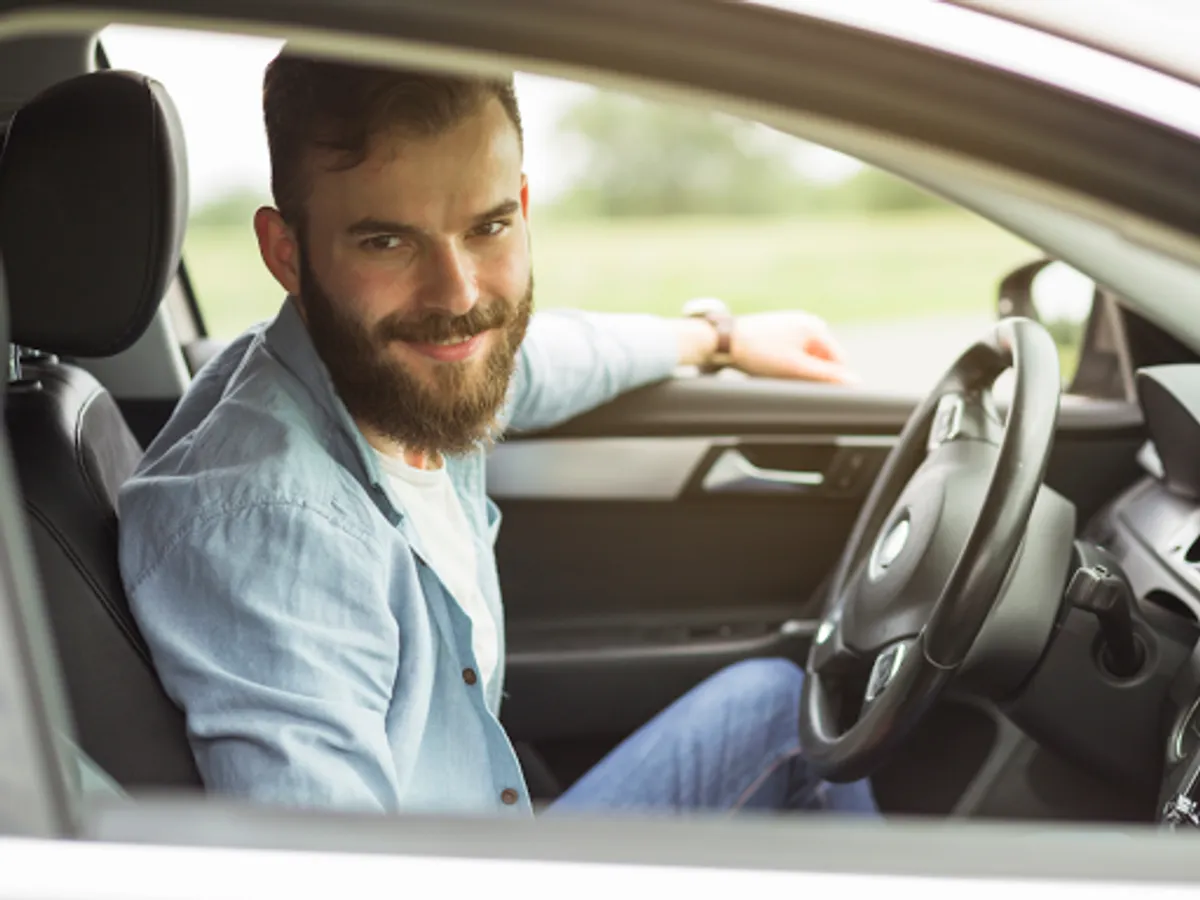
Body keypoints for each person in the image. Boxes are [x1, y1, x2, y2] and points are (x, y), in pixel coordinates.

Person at [118, 51, 876, 818]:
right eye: (387, 242)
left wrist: (717, 338)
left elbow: (541, 361)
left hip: (488, 836)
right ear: (287, 252)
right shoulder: (272, 527)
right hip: (449, 869)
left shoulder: (396, 373)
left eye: (487, 227)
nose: (457, 296)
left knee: (777, 707)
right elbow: (323, 864)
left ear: (522, 207)